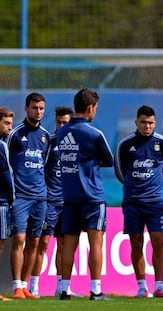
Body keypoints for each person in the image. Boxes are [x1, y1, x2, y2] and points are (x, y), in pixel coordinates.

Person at [57, 88, 114, 301]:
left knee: (69, 244)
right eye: (96, 108)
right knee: (95, 244)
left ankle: (64, 289)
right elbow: (108, 159)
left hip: (70, 196)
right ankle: (96, 290)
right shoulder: (93, 133)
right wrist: (89, 161)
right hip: (92, 197)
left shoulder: (62, 132)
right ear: (90, 108)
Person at [114, 105, 163, 298]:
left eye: (151, 123)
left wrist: (154, 184)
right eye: (144, 122)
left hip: (155, 202)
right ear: (136, 123)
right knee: (136, 243)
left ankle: (160, 286)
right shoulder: (125, 144)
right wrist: (134, 185)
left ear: (155, 123)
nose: (147, 126)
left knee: (158, 241)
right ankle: (141, 287)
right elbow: (120, 171)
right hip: (132, 202)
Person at [7, 93, 51, 299]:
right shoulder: (15, 134)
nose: (38, 112)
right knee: (20, 238)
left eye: (41, 108)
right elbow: (6, 165)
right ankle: (16, 286)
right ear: (26, 109)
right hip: (20, 196)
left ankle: (25, 286)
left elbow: (45, 165)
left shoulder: (45, 136)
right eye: (35, 108)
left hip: (40, 197)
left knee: (34, 240)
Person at [29, 107, 74, 297]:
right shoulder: (49, 141)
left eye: (65, 123)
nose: (62, 126)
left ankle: (62, 287)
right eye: (59, 122)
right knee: (43, 243)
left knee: (64, 245)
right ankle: (33, 286)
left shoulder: (75, 143)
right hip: (49, 200)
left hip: (69, 201)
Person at [0, 107, 14, 302]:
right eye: (6, 123)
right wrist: (13, 200)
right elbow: (7, 176)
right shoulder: (2, 146)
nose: (10, 127)